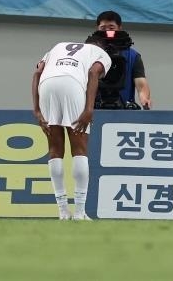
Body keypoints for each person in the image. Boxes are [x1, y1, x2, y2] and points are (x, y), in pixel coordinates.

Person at [31, 32, 112, 221]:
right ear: (102, 47)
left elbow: (37, 72)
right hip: (72, 84)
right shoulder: (101, 54)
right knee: (79, 148)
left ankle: (62, 212)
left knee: (55, 149)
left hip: (47, 85)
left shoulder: (57, 46)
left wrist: (36, 111)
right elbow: (93, 73)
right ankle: (79, 212)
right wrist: (89, 109)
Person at [93, 10, 152, 110]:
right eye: (103, 28)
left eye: (111, 28)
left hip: (123, 111)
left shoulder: (132, 56)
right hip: (94, 110)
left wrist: (145, 99)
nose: (107, 31)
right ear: (97, 29)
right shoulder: (88, 53)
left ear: (120, 28)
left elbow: (141, 84)